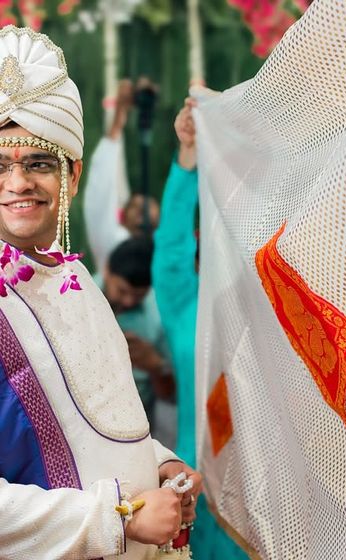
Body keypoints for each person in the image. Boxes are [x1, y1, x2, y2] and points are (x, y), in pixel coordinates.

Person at [0, 25, 200, 559]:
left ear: (73, 174)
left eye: (38, 162)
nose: (18, 182)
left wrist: (160, 462)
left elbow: (103, 426)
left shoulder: (76, 279)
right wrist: (116, 521)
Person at [152, 98, 249, 559]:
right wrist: (188, 156)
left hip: (281, 496)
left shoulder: (292, 320)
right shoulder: (191, 311)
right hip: (201, 493)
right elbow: (170, 250)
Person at [97, 236, 175, 429]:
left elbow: (170, 395)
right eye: (122, 291)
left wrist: (156, 365)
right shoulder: (76, 295)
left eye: (138, 295)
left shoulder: (159, 318)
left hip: (137, 421)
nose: (129, 301)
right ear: (107, 270)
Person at [84, 79, 160, 274]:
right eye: (136, 207)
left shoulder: (157, 256)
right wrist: (119, 117)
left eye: (147, 218)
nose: (141, 212)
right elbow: (104, 184)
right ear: (123, 217)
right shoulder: (113, 241)